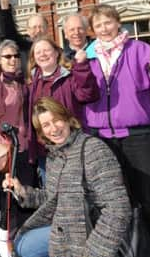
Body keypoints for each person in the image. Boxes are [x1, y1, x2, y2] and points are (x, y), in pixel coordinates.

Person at [84, 4, 150, 257]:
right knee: (111, 201)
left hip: (137, 135)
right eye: (98, 25)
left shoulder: (139, 50)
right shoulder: (87, 56)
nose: (104, 29)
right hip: (100, 137)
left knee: (145, 198)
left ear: (118, 23)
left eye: (108, 22)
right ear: (92, 30)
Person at [4, 97, 131, 257]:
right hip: (65, 229)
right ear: (41, 132)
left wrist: (96, 256)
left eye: (56, 120)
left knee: (25, 245)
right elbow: (52, 196)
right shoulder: (54, 155)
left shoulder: (92, 149)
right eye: (46, 125)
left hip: (90, 232)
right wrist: (22, 191)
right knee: (22, 245)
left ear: (67, 119)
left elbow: (118, 207)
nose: (54, 129)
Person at [27, 36, 99, 186]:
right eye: (38, 52)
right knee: (52, 194)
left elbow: (89, 94)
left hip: (71, 146)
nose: (43, 54)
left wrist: (82, 67)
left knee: (77, 191)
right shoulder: (31, 82)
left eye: (46, 50)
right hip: (45, 150)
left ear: (56, 53)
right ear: (33, 57)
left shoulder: (70, 76)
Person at [0, 40, 33, 233]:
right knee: (7, 195)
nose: (13, 60)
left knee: (26, 191)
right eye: (7, 56)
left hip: (25, 145)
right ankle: (8, 238)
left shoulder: (23, 81)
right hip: (4, 146)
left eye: (16, 56)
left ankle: (24, 236)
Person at [0, 0, 49, 72]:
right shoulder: (22, 47)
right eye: (34, 27)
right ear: (27, 30)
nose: (38, 30)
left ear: (47, 29)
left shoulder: (56, 51)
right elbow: (8, 33)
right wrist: (4, 5)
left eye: (41, 27)